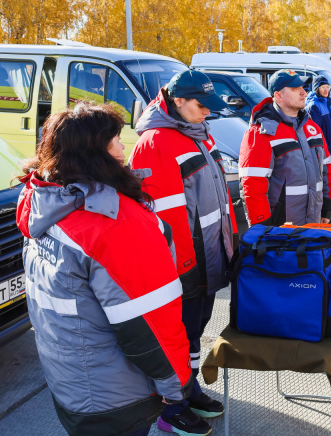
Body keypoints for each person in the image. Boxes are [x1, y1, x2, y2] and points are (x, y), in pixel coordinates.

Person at [16, 103, 199, 436]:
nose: (125, 146)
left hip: (70, 384)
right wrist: (177, 389)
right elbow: (148, 321)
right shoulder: (111, 226)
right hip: (115, 396)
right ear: (95, 154)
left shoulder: (43, 205)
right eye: (115, 140)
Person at [130, 69, 237, 434]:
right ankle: (169, 406)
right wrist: (182, 266)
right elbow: (159, 216)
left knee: (195, 331)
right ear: (178, 102)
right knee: (176, 335)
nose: (207, 112)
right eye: (200, 105)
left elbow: (219, 199)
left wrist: (230, 242)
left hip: (207, 257)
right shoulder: (156, 141)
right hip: (182, 264)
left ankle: (188, 389)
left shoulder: (197, 133)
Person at [239, 69, 331, 226]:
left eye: (303, 88)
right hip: (282, 231)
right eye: (295, 89)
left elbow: (327, 169)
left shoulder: (312, 128)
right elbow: (253, 186)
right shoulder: (261, 132)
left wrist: (328, 207)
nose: (304, 93)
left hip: (315, 221)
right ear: (278, 96)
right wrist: (263, 227)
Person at [305, 75, 331, 167]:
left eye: (327, 87)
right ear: (316, 89)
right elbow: (315, 132)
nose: (326, 90)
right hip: (322, 149)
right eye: (322, 87)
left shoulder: (327, 103)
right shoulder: (314, 106)